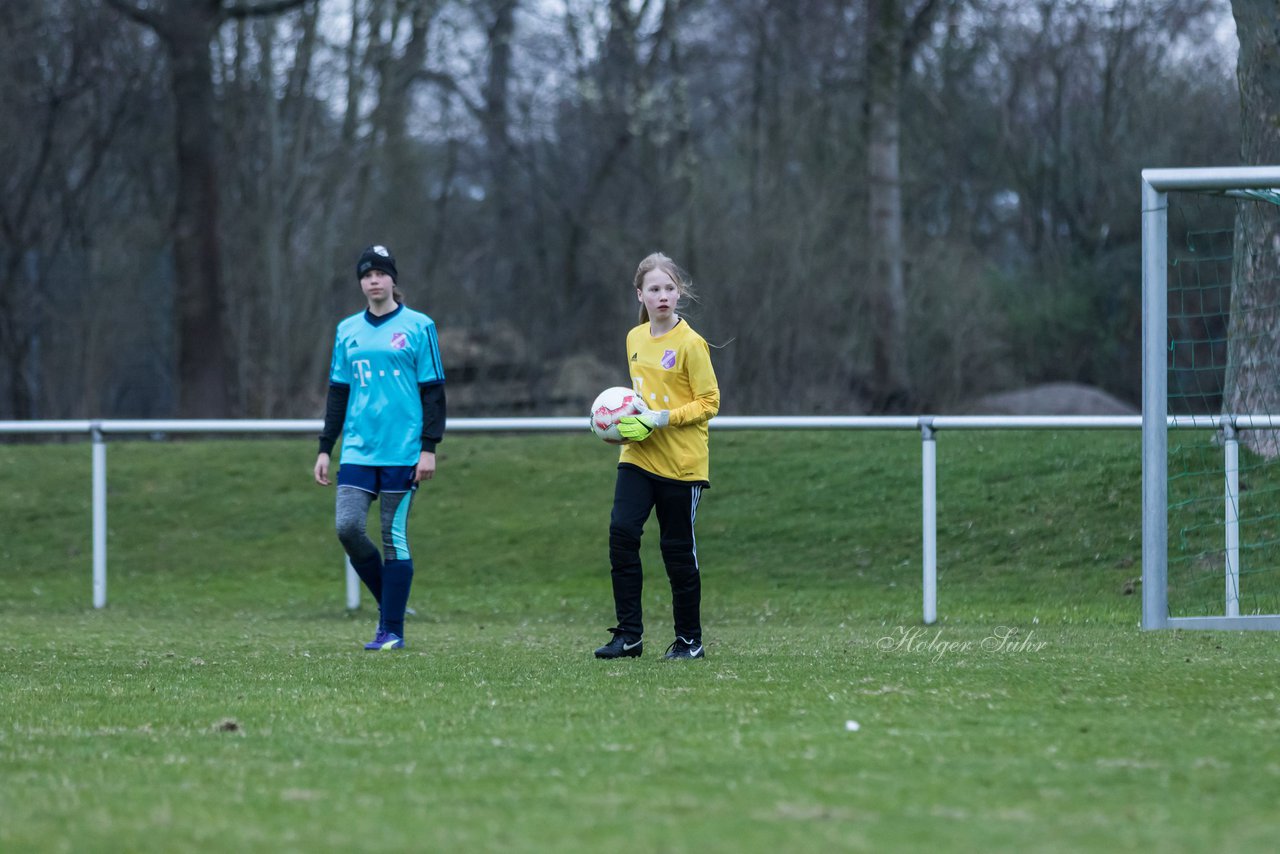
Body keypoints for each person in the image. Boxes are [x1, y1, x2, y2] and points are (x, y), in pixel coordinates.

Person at [314, 244, 446, 651]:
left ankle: (391, 630)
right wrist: (325, 448)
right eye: (366, 275)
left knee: (394, 538)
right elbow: (338, 392)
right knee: (348, 528)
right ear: (361, 283)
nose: (373, 280)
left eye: (380, 273)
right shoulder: (347, 330)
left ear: (392, 279)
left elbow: (434, 392)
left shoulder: (419, 326)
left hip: (403, 451)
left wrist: (429, 448)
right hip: (357, 448)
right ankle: (390, 607)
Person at [594, 252, 720, 661]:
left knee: (677, 550)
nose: (662, 295)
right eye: (654, 289)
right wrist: (615, 422)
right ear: (640, 295)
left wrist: (662, 418)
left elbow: (709, 402)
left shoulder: (691, 344)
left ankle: (689, 641)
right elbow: (636, 401)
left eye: (669, 288)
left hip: (682, 465)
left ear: (678, 293)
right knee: (621, 535)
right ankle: (629, 635)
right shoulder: (634, 338)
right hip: (638, 457)